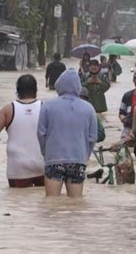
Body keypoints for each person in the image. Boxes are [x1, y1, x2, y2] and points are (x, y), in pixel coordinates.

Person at [37, 69, 98, 197]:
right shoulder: (89, 108)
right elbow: (92, 138)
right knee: (76, 203)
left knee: (51, 202)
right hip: (78, 160)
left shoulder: (47, 106)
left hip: (53, 159)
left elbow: (41, 133)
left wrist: (45, 152)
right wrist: (85, 156)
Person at [0, 75, 45, 188]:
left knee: (18, 202)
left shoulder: (8, 110)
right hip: (42, 164)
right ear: (36, 90)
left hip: (18, 167)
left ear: (17, 90)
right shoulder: (46, 108)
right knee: (43, 202)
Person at [118, 70, 136, 139]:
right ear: (133, 80)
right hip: (129, 127)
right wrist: (124, 119)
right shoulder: (127, 96)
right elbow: (121, 113)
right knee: (122, 145)